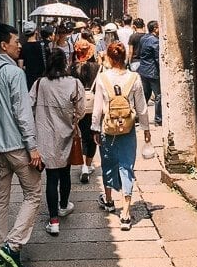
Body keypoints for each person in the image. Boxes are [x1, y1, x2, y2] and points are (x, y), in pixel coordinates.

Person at [0, 24, 43, 267]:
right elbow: (23, 113)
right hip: (17, 145)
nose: (19, 45)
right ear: (4, 45)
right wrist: (33, 147)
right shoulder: (15, 73)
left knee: (0, 196)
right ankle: (12, 245)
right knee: (33, 193)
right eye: (16, 41)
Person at [92, 42, 151, 230]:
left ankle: (109, 200)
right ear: (125, 57)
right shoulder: (134, 78)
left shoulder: (102, 78)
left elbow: (98, 108)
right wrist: (147, 128)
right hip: (128, 128)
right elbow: (141, 107)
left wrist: (94, 128)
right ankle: (125, 212)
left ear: (109, 58)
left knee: (108, 164)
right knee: (127, 167)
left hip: (108, 128)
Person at [30, 50, 85, 235]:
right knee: (65, 173)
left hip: (45, 137)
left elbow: (29, 105)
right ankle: (63, 206)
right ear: (64, 64)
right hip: (66, 134)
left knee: (51, 178)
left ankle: (53, 221)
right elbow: (82, 110)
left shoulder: (39, 84)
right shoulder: (74, 83)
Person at [71, 39, 101, 183]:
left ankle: (82, 166)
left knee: (81, 135)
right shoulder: (97, 67)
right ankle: (88, 165)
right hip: (94, 105)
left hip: (78, 105)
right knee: (93, 136)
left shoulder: (72, 68)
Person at [138, 20, 161, 126]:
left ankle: (140, 117)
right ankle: (158, 119)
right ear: (155, 29)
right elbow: (157, 58)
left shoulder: (143, 38)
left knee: (145, 95)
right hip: (152, 71)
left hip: (143, 70)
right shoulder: (155, 41)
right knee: (158, 96)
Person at [19, 21, 46, 90]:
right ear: (35, 32)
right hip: (42, 78)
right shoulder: (42, 45)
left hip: (29, 79)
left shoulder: (23, 47)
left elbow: (20, 66)